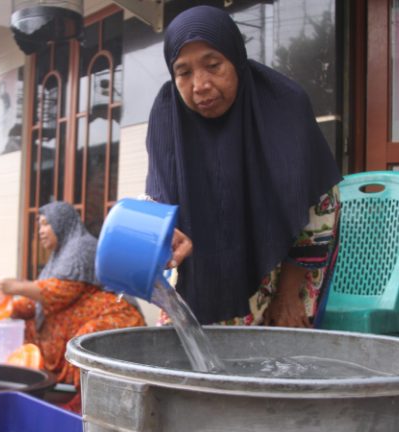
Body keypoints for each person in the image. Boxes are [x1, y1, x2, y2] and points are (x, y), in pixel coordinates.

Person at [144, 5, 342, 327]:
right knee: (187, 365)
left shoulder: (284, 105)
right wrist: (164, 234)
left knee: (275, 364)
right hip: (203, 276)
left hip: (283, 270)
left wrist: (288, 295)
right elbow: (157, 199)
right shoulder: (168, 115)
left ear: (235, 58)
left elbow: (322, 208)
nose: (200, 85)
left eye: (213, 65)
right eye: (184, 72)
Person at [0, 201, 145, 412]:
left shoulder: (82, 246)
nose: (41, 231)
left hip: (114, 317)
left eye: (46, 224)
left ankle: (85, 401)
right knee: (25, 326)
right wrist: (5, 309)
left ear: (62, 223)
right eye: (39, 226)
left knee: (85, 341)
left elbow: (59, 292)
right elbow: (37, 302)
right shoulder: (59, 256)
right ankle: (36, 384)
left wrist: (16, 287)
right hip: (81, 318)